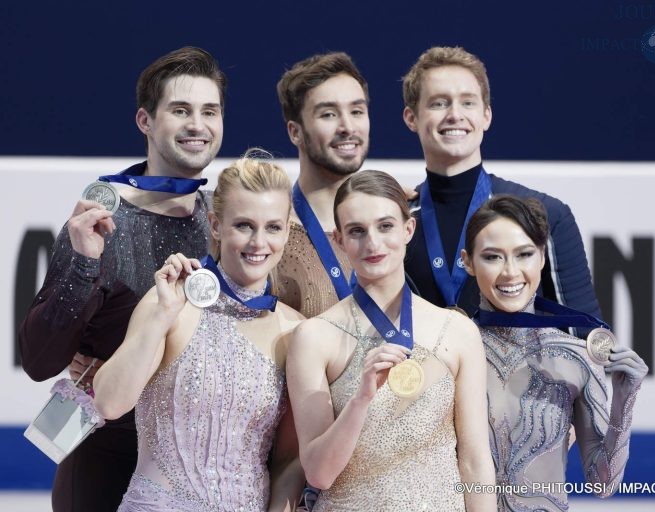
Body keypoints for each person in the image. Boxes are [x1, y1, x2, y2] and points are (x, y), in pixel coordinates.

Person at [18, 47, 225, 511]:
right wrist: (84, 267)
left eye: (209, 111)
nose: (198, 124)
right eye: (180, 110)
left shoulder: (226, 224)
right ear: (144, 121)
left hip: (202, 475)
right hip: (107, 470)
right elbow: (38, 361)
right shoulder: (100, 224)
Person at [93, 154, 304, 511]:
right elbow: (109, 403)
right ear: (216, 225)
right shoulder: (172, 301)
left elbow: (288, 461)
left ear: (287, 231)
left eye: (272, 227)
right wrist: (161, 316)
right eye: (243, 225)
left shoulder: (295, 331)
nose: (258, 242)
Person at [287, 170, 495, 511]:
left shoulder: (458, 331)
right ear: (339, 240)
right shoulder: (313, 337)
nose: (373, 243)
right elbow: (319, 475)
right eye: (357, 231)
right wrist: (361, 399)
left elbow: (474, 462)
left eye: (385, 226)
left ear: (408, 229)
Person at [460, 195, 647, 511]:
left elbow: (604, 484)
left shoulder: (575, 358)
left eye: (524, 254)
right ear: (467, 261)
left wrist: (624, 401)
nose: (510, 272)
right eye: (492, 257)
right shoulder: (451, 350)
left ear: (543, 257)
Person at [402, 46, 601, 330]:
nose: (455, 114)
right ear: (411, 118)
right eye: (438, 103)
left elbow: (585, 336)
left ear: (486, 115)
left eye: (467, 102)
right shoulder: (398, 221)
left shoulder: (546, 214)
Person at [275, 52, 369, 317]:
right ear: (295, 132)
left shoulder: (395, 226)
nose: (347, 126)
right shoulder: (270, 238)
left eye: (357, 111)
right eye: (328, 114)